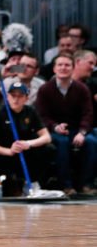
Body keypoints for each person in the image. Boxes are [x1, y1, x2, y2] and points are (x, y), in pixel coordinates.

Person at [35, 54, 96, 194]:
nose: (63, 68)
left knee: (92, 142)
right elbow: (42, 116)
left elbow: (88, 114)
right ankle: (66, 185)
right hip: (54, 130)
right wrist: (55, 126)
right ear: (54, 68)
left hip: (77, 129)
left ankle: (87, 185)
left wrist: (82, 132)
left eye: (67, 65)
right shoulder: (45, 89)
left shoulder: (82, 89)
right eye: (60, 65)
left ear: (73, 68)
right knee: (61, 143)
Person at [0, 81, 53, 198]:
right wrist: (9, 151)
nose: (16, 99)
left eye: (20, 96)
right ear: (7, 97)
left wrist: (28, 144)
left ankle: (32, 184)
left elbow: (46, 137)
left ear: (26, 98)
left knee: (49, 149)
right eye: (13, 95)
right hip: (5, 154)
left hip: (25, 154)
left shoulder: (31, 111)